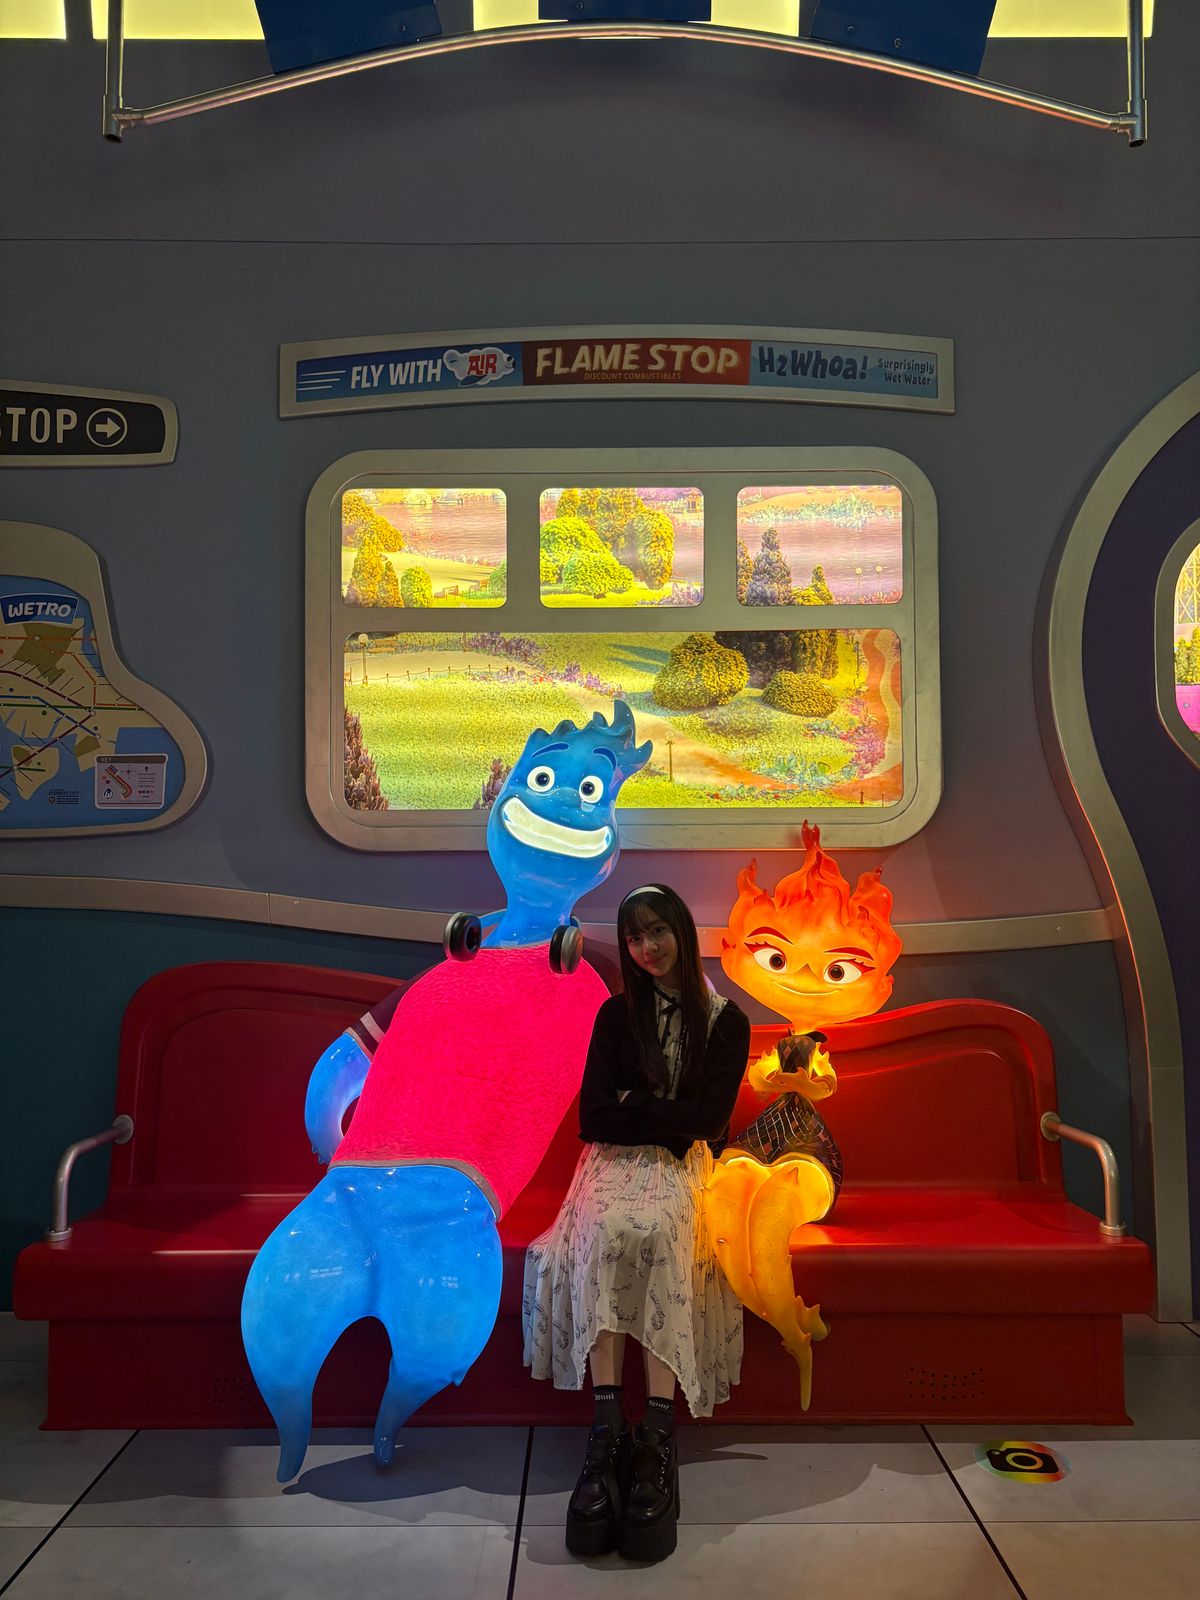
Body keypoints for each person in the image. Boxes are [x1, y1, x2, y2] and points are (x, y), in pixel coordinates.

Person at [522, 884, 752, 1563]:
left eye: (657, 932)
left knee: (654, 1235)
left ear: (682, 931)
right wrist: (663, 1110)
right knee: (606, 1234)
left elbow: (708, 1123)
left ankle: (655, 1433)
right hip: (608, 1164)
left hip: (683, 1168)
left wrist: (639, 1104)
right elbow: (595, 1118)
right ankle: (605, 1430)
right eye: (634, 937)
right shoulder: (615, 1015)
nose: (647, 948)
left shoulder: (725, 1022)